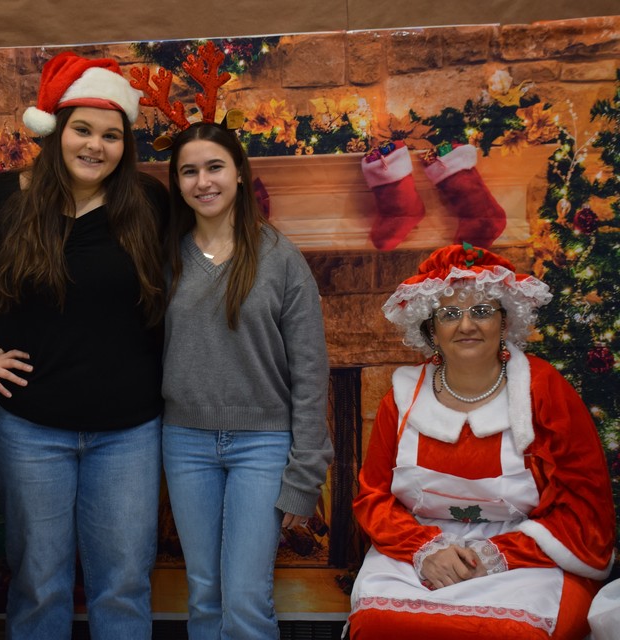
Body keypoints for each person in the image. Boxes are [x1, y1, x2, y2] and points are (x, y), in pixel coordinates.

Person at [0, 51, 168, 639]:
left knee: (123, 582)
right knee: (39, 580)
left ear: (125, 145)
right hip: (32, 430)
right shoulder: (1, 202)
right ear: (56, 132)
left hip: (128, 432)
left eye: (110, 135)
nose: (94, 146)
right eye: (82, 130)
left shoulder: (146, 206)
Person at [350, 244, 616, 639]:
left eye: (481, 311)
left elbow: (585, 508)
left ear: (505, 323)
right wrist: (426, 551)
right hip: (420, 549)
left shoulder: (544, 391)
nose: (466, 326)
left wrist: (496, 556)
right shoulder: (403, 397)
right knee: (379, 623)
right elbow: (373, 497)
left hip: (525, 554)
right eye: (450, 314)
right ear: (430, 329)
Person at [160, 121, 333, 639]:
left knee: (246, 596)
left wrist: (305, 475)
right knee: (204, 592)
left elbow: (310, 372)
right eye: (189, 171)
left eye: (214, 167)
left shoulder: (280, 258)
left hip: (263, 446)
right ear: (177, 182)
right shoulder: (165, 257)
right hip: (184, 443)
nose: (202, 181)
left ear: (238, 173)